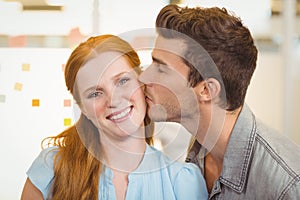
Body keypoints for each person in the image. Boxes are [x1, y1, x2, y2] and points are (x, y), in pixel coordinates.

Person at [139, 4, 300, 199]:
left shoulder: (285, 186)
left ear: (207, 90)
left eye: (161, 69)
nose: (144, 77)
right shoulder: (201, 148)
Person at [20, 34, 208, 200]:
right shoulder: (52, 169)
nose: (114, 100)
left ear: (142, 82)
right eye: (95, 93)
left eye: (123, 81)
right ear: (82, 108)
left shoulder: (183, 182)